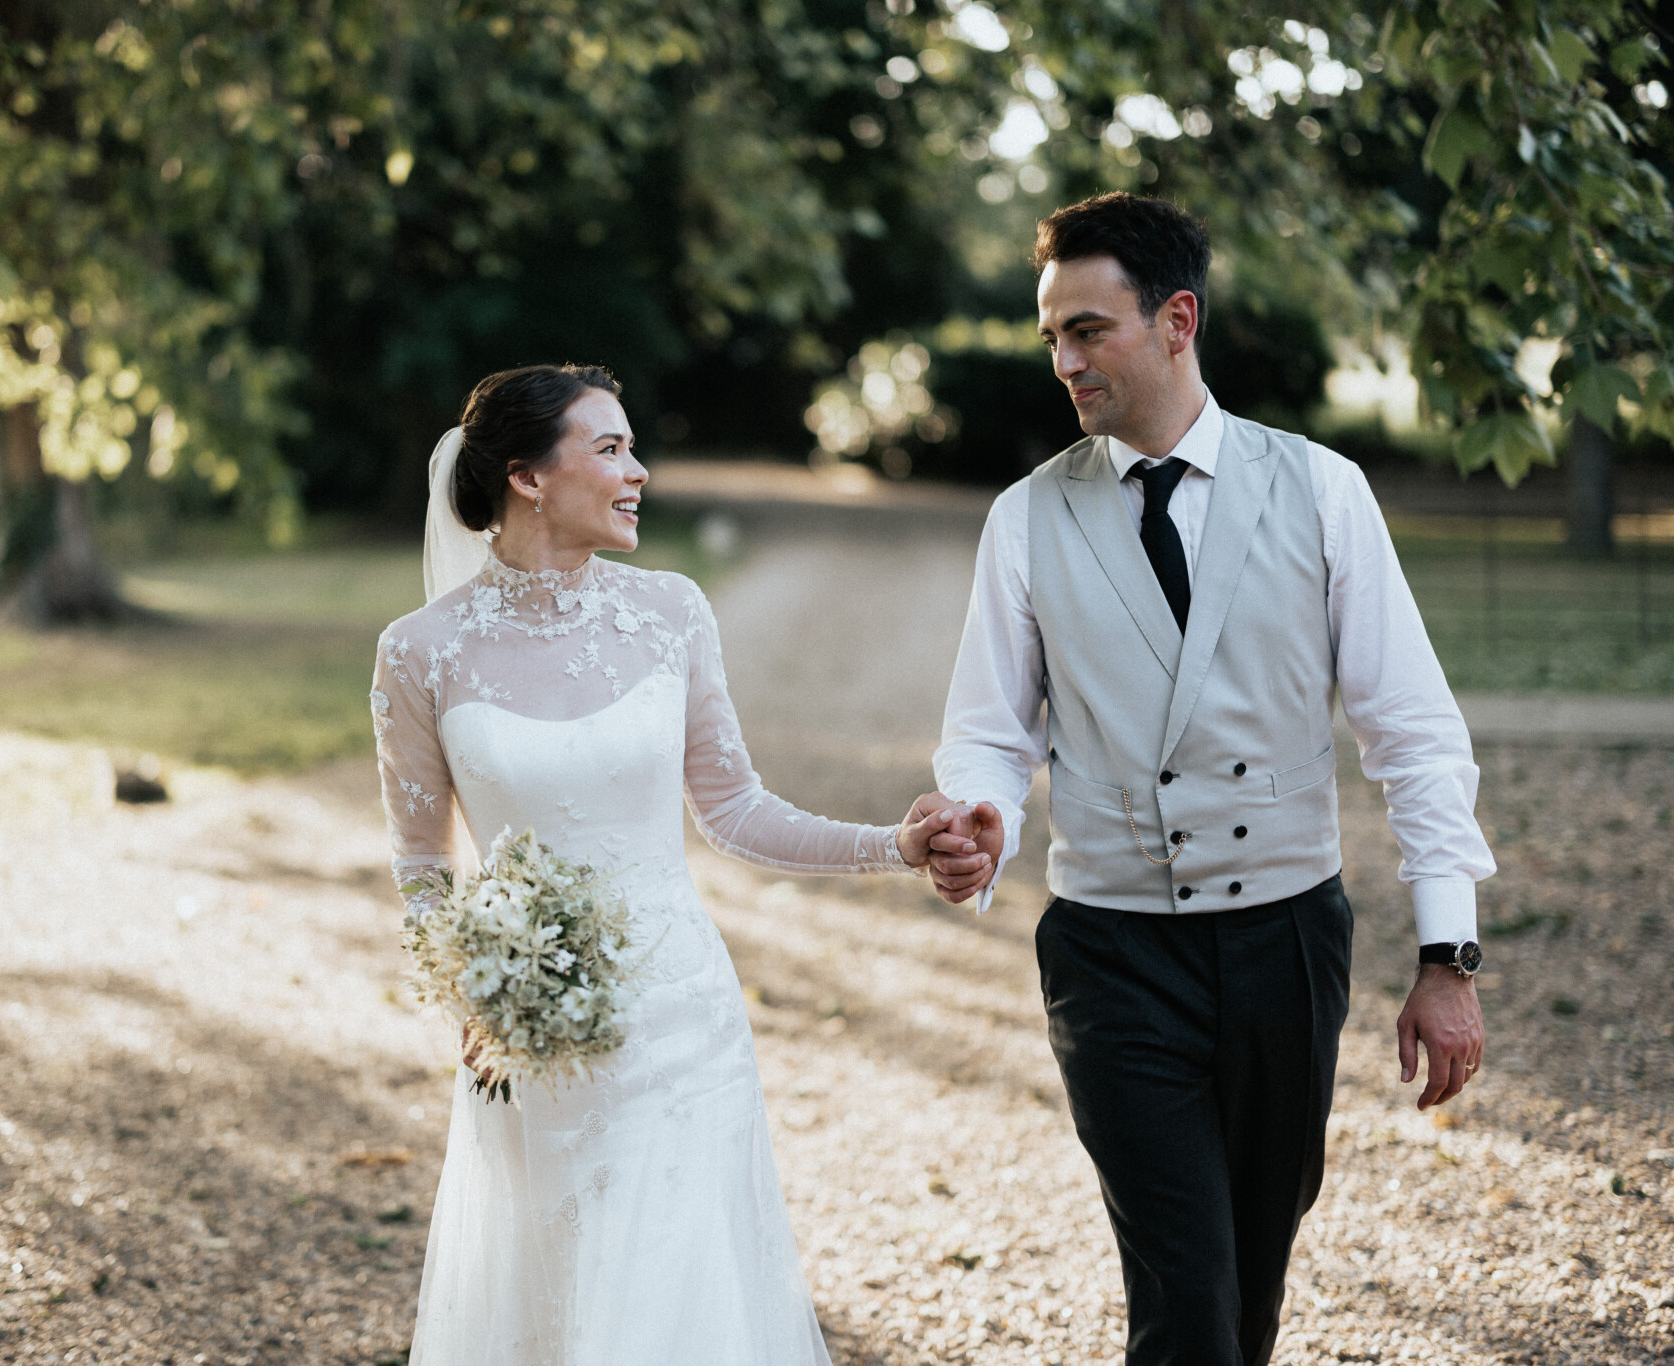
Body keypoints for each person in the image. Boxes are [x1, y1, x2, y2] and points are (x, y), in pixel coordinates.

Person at [923, 193, 1495, 1366]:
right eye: (1051, 337)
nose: (1063, 361)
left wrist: (1446, 953)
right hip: (1112, 950)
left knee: (1246, 1281)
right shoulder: (1023, 518)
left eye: (1088, 331)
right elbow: (988, 732)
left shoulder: (1322, 488)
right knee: (1184, 1295)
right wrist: (979, 817)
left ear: (1175, 320)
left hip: (1286, 941)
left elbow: (1410, 731)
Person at [371, 363, 963, 1365]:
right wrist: (474, 998)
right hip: (532, 1038)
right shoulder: (418, 652)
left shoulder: (671, 612)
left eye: (633, 448)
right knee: (555, 1297)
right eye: (610, 449)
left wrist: (892, 846)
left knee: (676, 1303)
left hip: (681, 1020)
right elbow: (422, 865)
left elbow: (733, 809)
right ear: (526, 477)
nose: (638, 471)